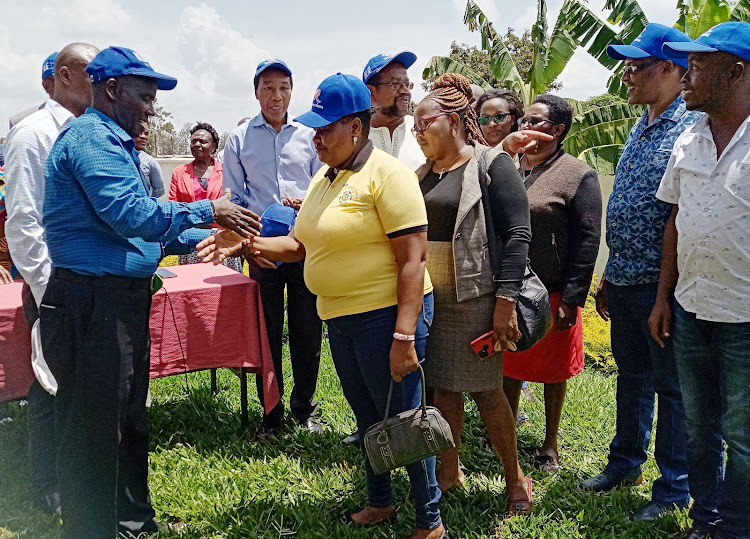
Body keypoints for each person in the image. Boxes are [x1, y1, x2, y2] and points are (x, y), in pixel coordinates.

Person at [198, 73, 446, 539]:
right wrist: (245, 241)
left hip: (385, 317)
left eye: (324, 129)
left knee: (406, 420)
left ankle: (429, 520)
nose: (315, 138)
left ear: (355, 127)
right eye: (313, 129)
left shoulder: (387, 176)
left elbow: (413, 260)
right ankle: (380, 501)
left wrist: (404, 335)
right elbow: (298, 244)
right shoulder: (324, 178)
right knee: (366, 414)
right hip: (341, 316)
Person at [40, 46, 260, 538]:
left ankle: (133, 521)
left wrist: (211, 240)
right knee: (95, 429)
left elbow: (148, 229)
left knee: (128, 418)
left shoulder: (118, 145)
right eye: (145, 96)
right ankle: (91, 529)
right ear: (112, 90)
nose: (151, 108)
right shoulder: (91, 139)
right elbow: (131, 215)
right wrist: (209, 212)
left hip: (119, 299)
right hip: (92, 302)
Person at [580, 24, 700, 523]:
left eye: (637, 66)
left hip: (661, 285)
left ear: (671, 69)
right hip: (626, 278)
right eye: (626, 66)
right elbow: (628, 206)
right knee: (631, 379)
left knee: (671, 388)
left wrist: (663, 294)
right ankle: (625, 462)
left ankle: (673, 487)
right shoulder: (641, 123)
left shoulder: (689, 127)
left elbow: (679, 217)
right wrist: (609, 275)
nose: (626, 75)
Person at [413, 73, 533, 515]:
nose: (418, 132)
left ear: (457, 120)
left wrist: (505, 301)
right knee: (442, 388)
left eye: (426, 122)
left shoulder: (491, 164)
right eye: (415, 126)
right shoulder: (422, 174)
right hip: (433, 298)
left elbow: (519, 233)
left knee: (487, 392)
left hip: (476, 299)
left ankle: (516, 477)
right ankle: (449, 469)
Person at [650, 22, 750, 539]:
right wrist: (664, 297)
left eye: (699, 64)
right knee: (699, 426)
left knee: (742, 432)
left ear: (736, 72)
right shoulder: (688, 138)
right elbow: (675, 220)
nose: (686, 76)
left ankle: (734, 528)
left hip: (744, 317)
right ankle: (704, 521)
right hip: (690, 306)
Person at [4, 42, 100, 517]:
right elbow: (22, 224)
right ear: (64, 76)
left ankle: (80, 470)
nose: (101, 83)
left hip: (90, 285)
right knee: (51, 383)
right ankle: (49, 481)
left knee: (82, 382)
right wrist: (51, 291)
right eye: (90, 73)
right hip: (54, 288)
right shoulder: (33, 136)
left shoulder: (93, 133)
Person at [222, 58, 324, 436]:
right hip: (261, 247)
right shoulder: (239, 138)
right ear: (256, 93)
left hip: (303, 246)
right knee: (266, 331)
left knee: (307, 328)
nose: (276, 96)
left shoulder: (308, 135)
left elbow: (320, 185)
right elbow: (232, 197)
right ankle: (272, 411)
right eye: (267, 87)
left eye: (283, 87)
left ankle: (304, 407)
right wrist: (249, 245)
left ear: (292, 91)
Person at [502, 94, 602, 473]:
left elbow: (588, 240)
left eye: (535, 122)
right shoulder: (507, 166)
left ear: (557, 130)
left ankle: (549, 444)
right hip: (510, 288)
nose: (524, 127)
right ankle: (506, 434)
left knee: (554, 370)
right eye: (523, 120)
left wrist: (572, 299)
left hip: (554, 290)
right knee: (509, 365)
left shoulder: (578, 174)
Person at [169, 122, 242, 271]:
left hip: (221, 239)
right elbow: (173, 205)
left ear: (214, 146)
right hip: (191, 239)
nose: (197, 144)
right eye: (193, 141)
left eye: (202, 141)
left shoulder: (227, 171)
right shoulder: (179, 172)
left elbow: (236, 203)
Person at [364, 51, 425, 170]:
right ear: (371, 93)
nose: (405, 91)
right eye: (395, 84)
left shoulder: (424, 130)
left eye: (407, 84)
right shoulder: (356, 139)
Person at [9, 52, 58, 129]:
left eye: (68, 78)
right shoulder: (21, 121)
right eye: (55, 80)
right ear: (45, 86)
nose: (64, 84)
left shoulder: (82, 116)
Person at [134, 122, 164, 198]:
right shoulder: (118, 157)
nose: (143, 136)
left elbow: (159, 190)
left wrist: (146, 201)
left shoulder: (150, 162)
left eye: (146, 133)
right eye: (138, 131)